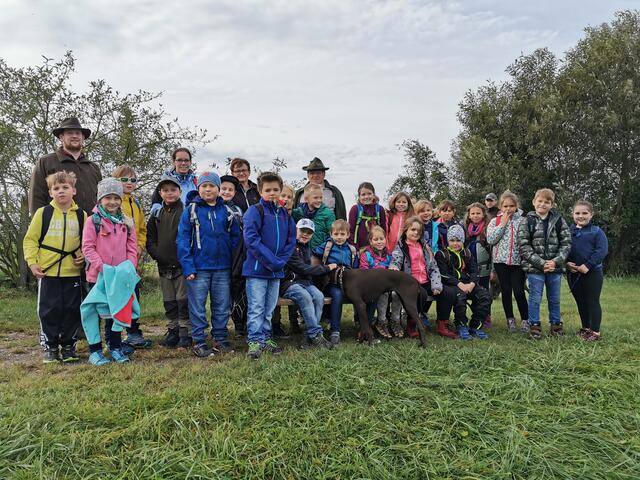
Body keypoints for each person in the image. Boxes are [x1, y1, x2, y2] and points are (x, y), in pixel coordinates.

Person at [23, 171, 86, 363]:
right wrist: (32, 263)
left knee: (72, 309)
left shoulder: (82, 215)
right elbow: (30, 240)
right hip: (48, 272)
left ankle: (68, 345)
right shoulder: (43, 213)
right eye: (56, 188)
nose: (61, 191)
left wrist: (83, 256)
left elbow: (87, 242)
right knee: (49, 309)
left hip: (72, 273)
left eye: (65, 187)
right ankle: (50, 346)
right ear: (50, 192)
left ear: (73, 190)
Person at [177, 172, 241, 358]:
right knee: (197, 306)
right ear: (199, 188)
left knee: (221, 306)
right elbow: (182, 240)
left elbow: (236, 239)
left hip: (223, 268)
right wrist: (188, 266)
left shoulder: (227, 211)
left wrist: (233, 264)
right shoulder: (191, 210)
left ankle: (220, 338)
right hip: (198, 268)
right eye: (204, 186)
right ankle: (199, 340)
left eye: (212, 186)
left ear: (218, 189)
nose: (208, 189)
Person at [81, 178, 138, 365]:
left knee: (117, 313)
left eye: (116, 197)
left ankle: (115, 347)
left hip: (120, 278)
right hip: (98, 277)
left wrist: (129, 268)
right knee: (94, 313)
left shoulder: (127, 222)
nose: (112, 202)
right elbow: (87, 248)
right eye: (108, 198)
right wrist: (102, 267)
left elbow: (132, 248)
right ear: (100, 199)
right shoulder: (93, 221)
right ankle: (95, 351)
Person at [243, 172, 296, 360]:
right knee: (257, 306)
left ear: (281, 190)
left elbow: (291, 240)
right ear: (260, 191)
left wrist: (280, 261)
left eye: (275, 190)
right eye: (268, 190)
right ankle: (255, 340)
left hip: (276, 271)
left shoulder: (284, 215)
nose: (272, 193)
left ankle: (266, 338)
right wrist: (272, 261)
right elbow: (251, 239)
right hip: (258, 270)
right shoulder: (255, 212)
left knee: (269, 307)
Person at [517, 188, 572, 340]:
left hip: (555, 268)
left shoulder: (559, 220)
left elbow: (566, 243)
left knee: (554, 298)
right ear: (534, 202)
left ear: (552, 205)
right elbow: (524, 246)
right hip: (535, 269)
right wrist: (541, 263)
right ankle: (534, 325)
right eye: (540, 201)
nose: (543, 204)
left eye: (547, 202)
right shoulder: (526, 221)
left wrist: (555, 261)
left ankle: (556, 325)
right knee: (535, 298)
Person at [146, 174, 192, 349]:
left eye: (173, 190)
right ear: (160, 193)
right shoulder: (156, 213)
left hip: (182, 264)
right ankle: (172, 330)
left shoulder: (186, 212)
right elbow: (150, 239)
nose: (169, 193)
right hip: (163, 265)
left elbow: (192, 237)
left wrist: (186, 258)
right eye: (165, 190)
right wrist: (157, 255)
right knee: (169, 300)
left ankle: (185, 332)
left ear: (180, 191)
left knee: (183, 300)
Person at [389, 216, 453, 339]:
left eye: (419, 231)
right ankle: (412, 323)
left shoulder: (425, 247)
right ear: (406, 230)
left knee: (448, 293)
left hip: (425, 280)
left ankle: (442, 324)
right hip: (410, 283)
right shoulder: (401, 247)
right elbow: (395, 262)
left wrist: (436, 285)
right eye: (413, 229)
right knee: (421, 294)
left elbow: (434, 267)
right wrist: (394, 269)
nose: (416, 232)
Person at [280, 218, 336, 349]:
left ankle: (308, 337)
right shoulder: (289, 246)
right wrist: (326, 268)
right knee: (304, 296)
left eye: (309, 232)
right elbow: (302, 268)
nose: (305, 234)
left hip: (305, 282)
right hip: (289, 283)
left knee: (319, 296)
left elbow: (307, 271)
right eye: (302, 231)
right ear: (295, 230)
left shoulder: (307, 248)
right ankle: (316, 336)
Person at [113, 165, 152, 349]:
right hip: (115, 259)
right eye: (125, 180)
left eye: (133, 180)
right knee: (117, 297)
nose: (129, 183)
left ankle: (133, 332)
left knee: (133, 295)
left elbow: (142, 229)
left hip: (132, 259)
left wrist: (139, 246)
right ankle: (115, 337)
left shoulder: (135, 203)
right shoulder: (112, 201)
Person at [29, 117, 101, 216]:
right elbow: (36, 196)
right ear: (61, 137)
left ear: (83, 137)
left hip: (91, 226)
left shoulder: (93, 167)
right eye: (70, 133)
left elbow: (101, 198)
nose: (75, 136)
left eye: (78, 133)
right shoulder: (46, 162)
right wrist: (41, 223)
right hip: (57, 226)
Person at [435, 224, 491, 340]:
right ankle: (461, 325)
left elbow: (475, 270)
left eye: (458, 240)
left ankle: (476, 326)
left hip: (469, 284)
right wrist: (459, 284)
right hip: (452, 285)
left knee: (485, 296)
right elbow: (443, 274)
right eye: (452, 240)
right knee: (460, 297)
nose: (455, 243)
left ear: (463, 240)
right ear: (447, 241)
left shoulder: (467, 253)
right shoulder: (442, 254)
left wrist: (472, 284)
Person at [487, 191, 529, 333]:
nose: (508, 209)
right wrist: (502, 224)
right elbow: (491, 240)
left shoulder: (523, 221)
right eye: (505, 206)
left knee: (519, 291)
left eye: (511, 206)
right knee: (506, 291)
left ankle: (525, 320)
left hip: (518, 262)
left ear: (516, 206)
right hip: (501, 262)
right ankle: (510, 320)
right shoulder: (495, 221)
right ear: (500, 206)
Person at [566, 200, 608, 341]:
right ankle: (586, 328)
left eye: (585, 213)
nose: (581, 216)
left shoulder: (596, 232)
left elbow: (601, 251)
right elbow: (564, 249)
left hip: (592, 272)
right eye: (577, 213)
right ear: (572, 214)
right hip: (573, 273)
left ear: (591, 214)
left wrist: (588, 265)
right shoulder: (568, 231)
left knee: (592, 301)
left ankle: (595, 332)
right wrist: (567, 264)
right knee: (581, 301)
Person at [313, 219, 359, 346]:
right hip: (331, 282)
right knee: (337, 295)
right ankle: (335, 330)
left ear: (348, 235)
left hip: (348, 282)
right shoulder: (327, 246)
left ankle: (363, 325)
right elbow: (314, 253)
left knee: (363, 294)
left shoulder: (352, 249)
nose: (339, 237)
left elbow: (356, 267)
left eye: (342, 234)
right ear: (331, 234)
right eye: (336, 234)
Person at [219, 175, 248, 337]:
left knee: (239, 290)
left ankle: (240, 324)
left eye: (230, 189)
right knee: (224, 294)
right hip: (221, 256)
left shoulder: (238, 210)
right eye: (223, 189)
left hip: (238, 256)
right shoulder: (215, 208)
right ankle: (221, 327)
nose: (226, 192)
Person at [359, 226, 395, 339]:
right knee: (379, 294)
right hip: (371, 285)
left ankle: (393, 321)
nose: (379, 242)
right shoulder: (366, 255)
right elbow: (363, 271)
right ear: (370, 241)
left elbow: (393, 269)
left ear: (385, 239)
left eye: (381, 239)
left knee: (395, 294)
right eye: (376, 239)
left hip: (387, 284)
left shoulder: (389, 255)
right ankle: (379, 322)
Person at [464, 202, 493, 328]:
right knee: (473, 292)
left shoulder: (488, 229)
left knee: (485, 293)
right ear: (469, 215)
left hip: (484, 269)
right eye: (473, 213)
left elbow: (493, 251)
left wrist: (493, 270)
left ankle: (486, 316)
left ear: (483, 214)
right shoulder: (465, 230)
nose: (475, 216)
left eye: (478, 213)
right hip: (469, 269)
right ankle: (475, 316)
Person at [150, 148, 198, 215]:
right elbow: (155, 207)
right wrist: (167, 216)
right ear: (174, 162)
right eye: (179, 160)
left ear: (190, 162)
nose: (183, 163)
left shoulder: (196, 183)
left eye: (186, 160)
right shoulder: (164, 183)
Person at [292, 183, 336, 250]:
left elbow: (332, 234)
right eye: (315, 198)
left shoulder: (328, 213)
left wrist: (323, 249)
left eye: (321, 197)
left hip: (318, 251)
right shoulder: (298, 212)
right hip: (301, 249)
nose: (319, 200)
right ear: (306, 199)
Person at [348, 182, 387, 251]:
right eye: (363, 194)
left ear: (374, 195)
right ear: (359, 196)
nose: (366, 197)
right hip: (359, 248)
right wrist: (355, 248)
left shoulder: (379, 209)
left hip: (377, 248)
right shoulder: (355, 209)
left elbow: (384, 230)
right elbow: (351, 231)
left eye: (369, 193)